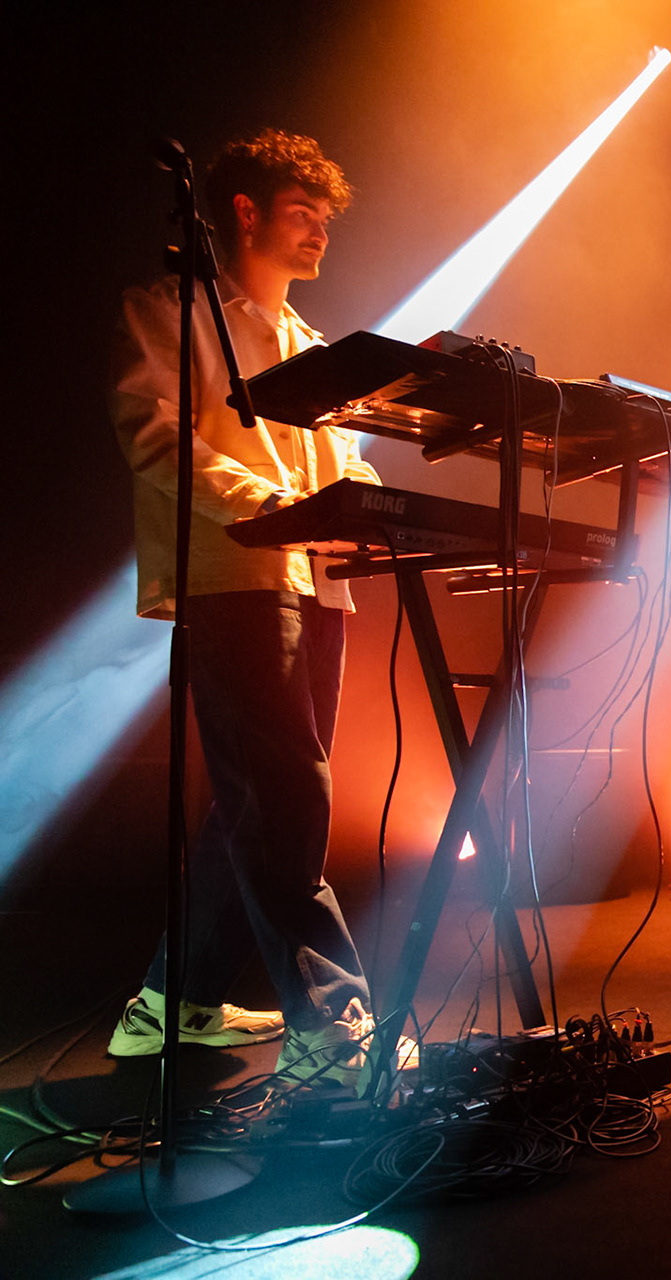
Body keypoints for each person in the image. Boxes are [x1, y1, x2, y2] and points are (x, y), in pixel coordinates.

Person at [109, 128, 400, 1092]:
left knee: (251, 812)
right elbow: (155, 433)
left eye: (327, 217)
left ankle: (169, 1005)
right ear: (242, 212)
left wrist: (363, 496)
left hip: (318, 586)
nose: (321, 232)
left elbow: (342, 461)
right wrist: (273, 506)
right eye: (302, 212)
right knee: (283, 798)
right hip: (236, 579)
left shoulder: (314, 349)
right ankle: (334, 1023)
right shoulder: (172, 312)